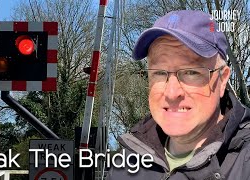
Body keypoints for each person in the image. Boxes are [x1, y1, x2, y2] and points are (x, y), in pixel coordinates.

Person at [107, 10, 250, 179]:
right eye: (159, 73)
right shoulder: (127, 164)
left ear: (222, 79)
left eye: (191, 72)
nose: (172, 93)